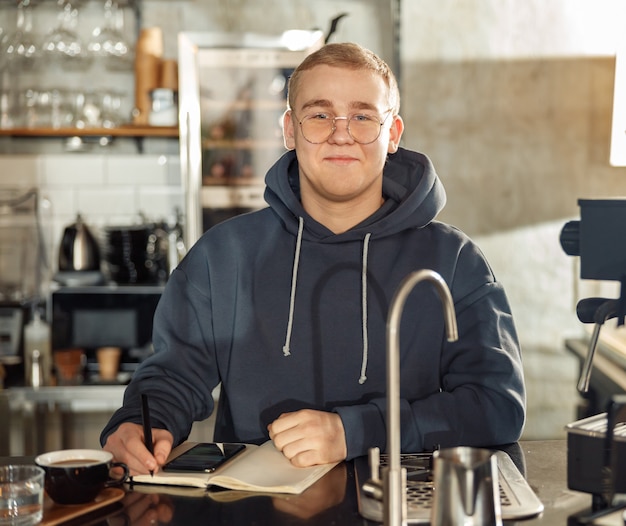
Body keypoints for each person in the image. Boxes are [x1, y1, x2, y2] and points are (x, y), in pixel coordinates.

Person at [101, 42, 526, 474]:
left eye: (362, 116)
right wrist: (139, 423)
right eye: (320, 115)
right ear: (289, 130)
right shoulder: (222, 255)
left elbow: (497, 407)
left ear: (393, 134)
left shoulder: (454, 260)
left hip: (402, 506)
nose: (341, 133)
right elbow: (173, 378)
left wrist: (356, 431)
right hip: (255, 512)